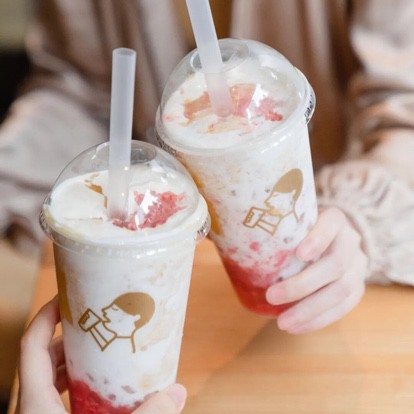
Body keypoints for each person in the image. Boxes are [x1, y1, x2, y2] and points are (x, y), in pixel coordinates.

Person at [1, 0, 414, 335]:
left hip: (352, 268)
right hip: (163, 277)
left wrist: (359, 216)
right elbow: (78, 89)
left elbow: (403, 107)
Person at [15, 296, 187, 414]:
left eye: (114, 309)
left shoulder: (125, 348)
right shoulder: (120, 342)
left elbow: (106, 344)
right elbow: (104, 342)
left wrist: (92, 325)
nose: (105, 311)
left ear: (135, 318)